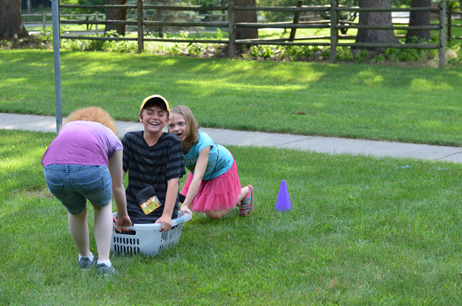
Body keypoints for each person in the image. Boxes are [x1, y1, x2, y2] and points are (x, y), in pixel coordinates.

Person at [42, 107, 131, 276]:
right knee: (102, 206)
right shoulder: (111, 137)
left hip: (53, 170)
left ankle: (84, 258)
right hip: (89, 170)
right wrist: (123, 214)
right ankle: (104, 262)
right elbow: (117, 186)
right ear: (107, 124)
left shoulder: (67, 128)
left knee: (76, 211)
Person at [167, 105, 254, 219]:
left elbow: (198, 177)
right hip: (202, 170)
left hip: (221, 168)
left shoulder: (203, 143)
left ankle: (245, 192)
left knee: (213, 214)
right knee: (188, 199)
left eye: (181, 124)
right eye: (171, 125)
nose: (176, 129)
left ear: (190, 123)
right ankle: (232, 201)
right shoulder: (173, 143)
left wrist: (185, 205)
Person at [120, 95, 185, 231]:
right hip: (133, 207)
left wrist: (167, 216)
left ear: (167, 121)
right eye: (149, 112)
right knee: (126, 234)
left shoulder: (171, 142)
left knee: (151, 238)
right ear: (140, 117)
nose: (155, 117)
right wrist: (121, 213)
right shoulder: (129, 140)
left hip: (162, 210)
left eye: (160, 114)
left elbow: (173, 182)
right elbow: (116, 180)